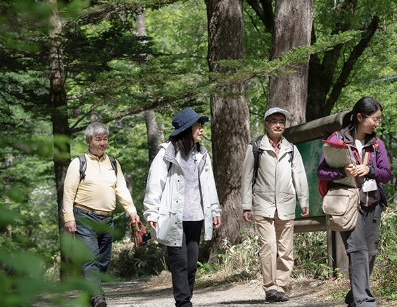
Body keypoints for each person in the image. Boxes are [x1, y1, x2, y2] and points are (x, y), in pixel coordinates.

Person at [317, 97, 392, 307]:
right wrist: (342, 171)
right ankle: (365, 301)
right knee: (357, 250)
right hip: (347, 204)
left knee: (371, 251)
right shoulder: (337, 139)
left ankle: (355, 295)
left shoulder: (377, 144)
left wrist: (370, 170)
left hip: (372, 202)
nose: (377, 123)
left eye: (379, 119)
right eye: (374, 119)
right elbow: (321, 171)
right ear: (360, 117)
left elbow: (386, 175)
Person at [143, 108, 222, 307]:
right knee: (179, 263)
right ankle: (183, 302)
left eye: (202, 126)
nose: (202, 129)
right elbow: (155, 184)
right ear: (187, 129)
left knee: (191, 264)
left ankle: (185, 298)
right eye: (198, 125)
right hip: (173, 216)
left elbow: (209, 184)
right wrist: (151, 212)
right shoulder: (167, 153)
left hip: (196, 216)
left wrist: (214, 210)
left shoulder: (202, 154)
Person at [62, 122, 140, 307]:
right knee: (91, 258)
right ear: (88, 140)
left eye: (105, 139)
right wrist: (69, 218)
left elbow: (121, 188)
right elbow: (68, 192)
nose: (102, 143)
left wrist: (132, 211)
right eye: (98, 139)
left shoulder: (113, 163)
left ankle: (90, 292)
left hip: (107, 218)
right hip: (83, 216)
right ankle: (98, 297)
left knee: (102, 262)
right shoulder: (78, 163)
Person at [240, 107, 310, 303]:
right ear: (266, 124)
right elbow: (246, 178)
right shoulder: (255, 148)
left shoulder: (291, 149)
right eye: (273, 121)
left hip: (286, 204)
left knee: (286, 249)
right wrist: (247, 205)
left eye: (281, 121)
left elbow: (300, 175)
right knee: (269, 245)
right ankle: (270, 287)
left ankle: (281, 286)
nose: (278, 124)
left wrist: (303, 200)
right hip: (263, 203)